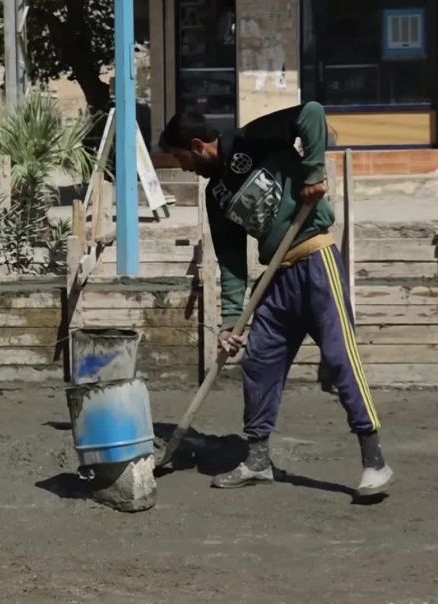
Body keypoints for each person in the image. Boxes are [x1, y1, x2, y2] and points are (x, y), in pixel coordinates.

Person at [158, 102, 394, 497]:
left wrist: (315, 171)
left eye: (182, 158)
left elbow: (313, 114)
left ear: (198, 145)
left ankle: (375, 462)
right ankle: (257, 459)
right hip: (276, 277)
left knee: (340, 359)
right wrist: (232, 322)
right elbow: (231, 263)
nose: (183, 168)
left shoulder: (256, 137)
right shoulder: (216, 195)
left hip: (316, 261)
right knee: (259, 361)